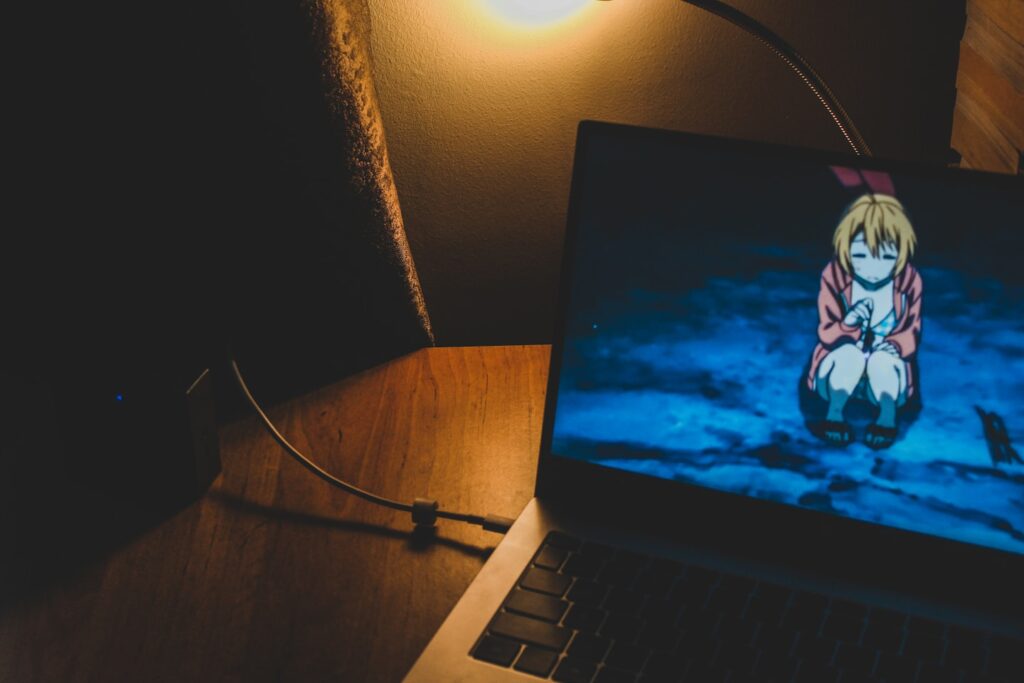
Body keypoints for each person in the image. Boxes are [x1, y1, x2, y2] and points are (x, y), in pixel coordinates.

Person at [807, 193, 923, 449]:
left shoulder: (908, 281)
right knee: (850, 354)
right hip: (837, 372)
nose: (872, 268)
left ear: (901, 253)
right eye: (860, 256)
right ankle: (834, 414)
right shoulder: (835, 276)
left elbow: (911, 332)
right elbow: (826, 333)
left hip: (886, 379)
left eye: (886, 257)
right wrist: (848, 323)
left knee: (883, 360)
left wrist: (895, 345)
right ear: (846, 248)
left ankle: (887, 417)